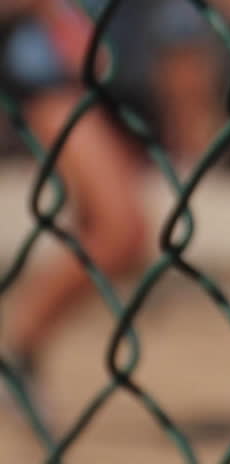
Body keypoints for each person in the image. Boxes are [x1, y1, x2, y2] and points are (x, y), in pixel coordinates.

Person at [0, 0, 151, 429]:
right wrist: (55, 15)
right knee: (122, 229)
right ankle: (16, 349)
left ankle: (20, 353)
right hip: (50, 77)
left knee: (115, 236)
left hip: (117, 78)